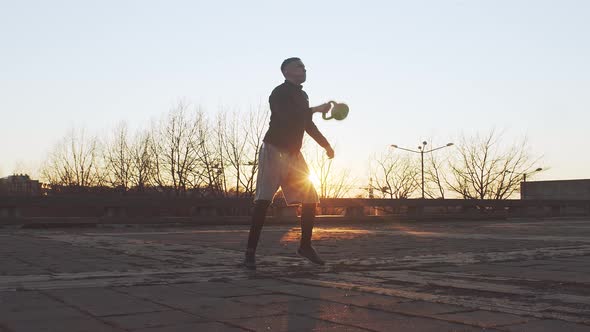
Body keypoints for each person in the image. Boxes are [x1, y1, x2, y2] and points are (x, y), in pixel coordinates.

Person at [244, 57, 335, 270]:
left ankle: (305, 246)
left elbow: (307, 125)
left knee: (311, 197)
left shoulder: (303, 95)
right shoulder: (279, 93)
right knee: (263, 201)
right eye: (298, 66)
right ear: (286, 72)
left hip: (294, 154)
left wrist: (326, 145)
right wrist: (314, 109)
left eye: (304, 66)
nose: (303, 69)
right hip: (274, 149)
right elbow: (286, 116)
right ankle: (250, 253)